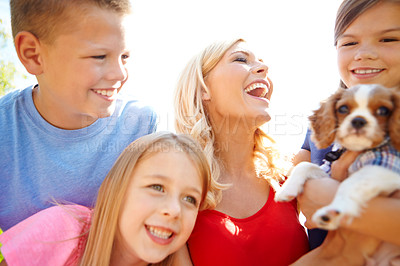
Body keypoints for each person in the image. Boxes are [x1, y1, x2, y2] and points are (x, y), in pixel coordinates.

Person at [0, 0, 157, 231]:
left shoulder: (141, 127)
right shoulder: (5, 130)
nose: (119, 73)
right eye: (99, 56)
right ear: (33, 54)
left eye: (124, 56)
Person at [173, 38, 309, 266]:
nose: (263, 68)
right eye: (241, 59)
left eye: (261, 62)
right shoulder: (176, 188)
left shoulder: (291, 177)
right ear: (204, 88)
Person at [0, 132, 214, 266]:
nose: (175, 209)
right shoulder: (60, 231)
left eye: (190, 199)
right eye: (157, 187)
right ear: (116, 189)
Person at [294, 0, 400, 261]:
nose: (363, 54)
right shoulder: (325, 127)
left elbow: (312, 197)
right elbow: (289, 185)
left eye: (388, 39)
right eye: (349, 43)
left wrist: (324, 194)